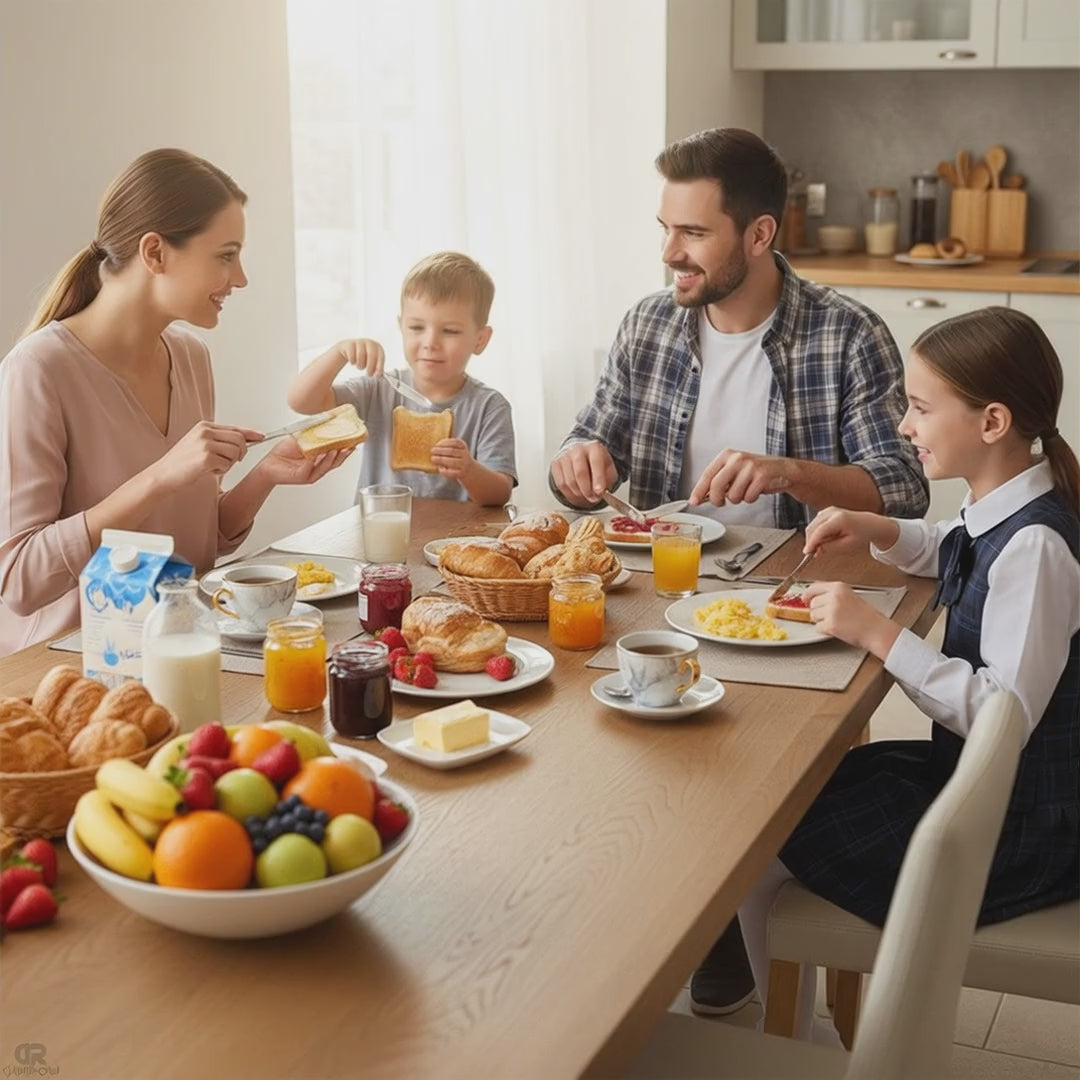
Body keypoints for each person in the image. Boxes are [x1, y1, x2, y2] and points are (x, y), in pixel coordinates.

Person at [736, 306, 1079, 1040]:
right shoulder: (1007, 502)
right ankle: (794, 1025)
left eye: (921, 408)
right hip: (982, 792)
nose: (904, 426)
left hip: (1022, 828)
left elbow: (1003, 720)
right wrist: (878, 528)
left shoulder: (1038, 549)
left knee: (758, 835)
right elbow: (952, 543)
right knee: (774, 801)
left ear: (992, 422)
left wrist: (876, 633)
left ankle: (795, 1039)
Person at [0, 149, 352, 657]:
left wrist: (266, 474)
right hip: (75, 667)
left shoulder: (191, 357)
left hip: (185, 651)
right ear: (155, 253)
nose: (241, 278)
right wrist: (160, 476)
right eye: (226, 255)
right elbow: (18, 579)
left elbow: (191, 543)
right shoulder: (38, 369)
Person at [549, 128, 927, 528]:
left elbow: (903, 487)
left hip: (797, 566)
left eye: (693, 233)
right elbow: (589, 447)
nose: (669, 253)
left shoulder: (849, 334)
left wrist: (791, 474)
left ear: (759, 235)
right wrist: (576, 465)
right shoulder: (646, 325)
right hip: (663, 565)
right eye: (665, 228)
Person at [287, 251, 516, 507]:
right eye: (417, 328)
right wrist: (338, 353)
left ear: (480, 340)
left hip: (455, 532)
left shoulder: (490, 407)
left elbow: (499, 494)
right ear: (401, 327)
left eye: (450, 331)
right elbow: (301, 402)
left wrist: (469, 470)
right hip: (376, 527)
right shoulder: (379, 389)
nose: (430, 342)